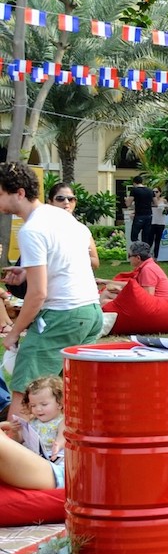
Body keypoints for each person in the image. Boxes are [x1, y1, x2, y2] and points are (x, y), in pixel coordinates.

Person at [0, 164, 106, 413]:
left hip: (63, 314)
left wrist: (14, 332)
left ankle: (14, 450)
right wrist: (26, 272)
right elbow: (67, 258)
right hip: (91, 312)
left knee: (28, 391)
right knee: (61, 392)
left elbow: (37, 294)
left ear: (20, 193)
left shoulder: (31, 230)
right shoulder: (63, 218)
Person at [3, 375, 66, 478]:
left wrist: (58, 444)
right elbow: (18, 441)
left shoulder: (61, 421)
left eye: (44, 404)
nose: (38, 409)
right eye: (33, 405)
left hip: (53, 459)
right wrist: (15, 432)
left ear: (59, 403)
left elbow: (62, 436)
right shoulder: (33, 422)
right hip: (33, 459)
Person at [100, 240, 168, 303]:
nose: (129, 259)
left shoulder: (148, 269)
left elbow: (148, 297)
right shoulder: (148, 266)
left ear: (138, 258)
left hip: (156, 304)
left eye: (129, 256)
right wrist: (106, 281)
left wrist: (122, 292)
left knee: (105, 302)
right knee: (106, 293)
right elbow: (134, 285)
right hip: (157, 301)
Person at [126, 173, 159, 251]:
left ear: (134, 183)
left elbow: (128, 204)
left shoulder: (134, 190)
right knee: (145, 236)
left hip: (139, 215)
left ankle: (137, 251)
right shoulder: (150, 190)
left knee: (134, 236)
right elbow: (156, 204)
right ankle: (145, 253)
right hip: (149, 215)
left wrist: (127, 200)